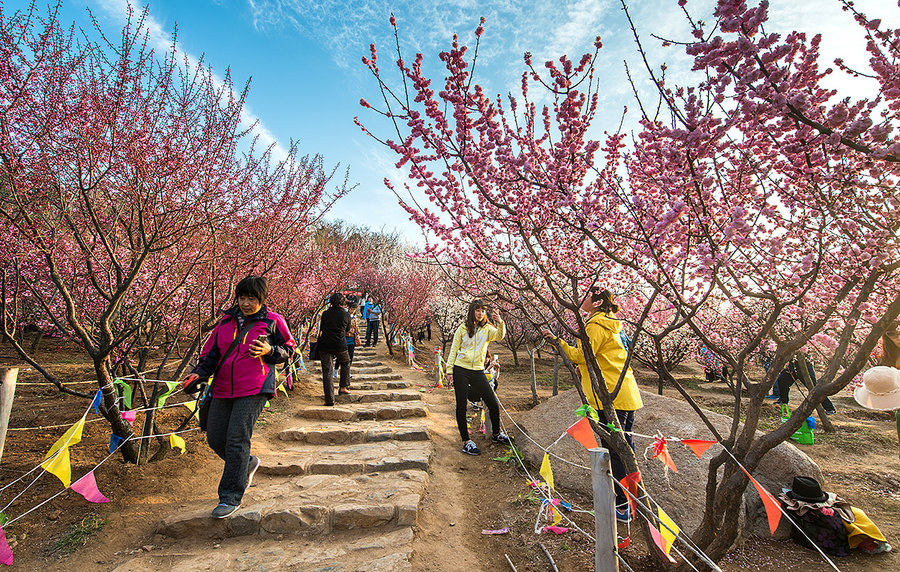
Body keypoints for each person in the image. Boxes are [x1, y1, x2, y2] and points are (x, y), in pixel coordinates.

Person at [181, 276, 295, 519]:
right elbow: (210, 356)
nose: (245, 303)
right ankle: (247, 462)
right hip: (222, 386)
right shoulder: (225, 322)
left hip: (254, 386)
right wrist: (197, 375)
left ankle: (230, 496)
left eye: (251, 298)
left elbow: (289, 349)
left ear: (261, 298)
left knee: (236, 439)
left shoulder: (272, 322)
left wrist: (270, 351)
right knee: (215, 437)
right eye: (242, 297)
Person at [542, 287, 643, 523]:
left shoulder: (596, 325)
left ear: (596, 303)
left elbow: (582, 355)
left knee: (616, 451)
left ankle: (622, 505)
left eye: (587, 296)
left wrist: (556, 342)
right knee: (625, 449)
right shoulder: (613, 322)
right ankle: (631, 499)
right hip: (623, 391)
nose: (582, 300)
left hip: (608, 395)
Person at [446, 299, 511, 455]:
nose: (480, 313)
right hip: (460, 369)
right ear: (472, 312)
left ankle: (496, 434)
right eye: (477, 310)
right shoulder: (462, 329)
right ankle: (466, 441)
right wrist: (449, 371)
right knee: (461, 406)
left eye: (483, 310)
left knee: (492, 403)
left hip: (477, 371)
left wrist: (500, 322)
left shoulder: (487, 329)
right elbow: (454, 349)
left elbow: (500, 336)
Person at [318, 292, 352, 404]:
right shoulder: (346, 314)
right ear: (342, 302)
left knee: (327, 371)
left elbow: (322, 328)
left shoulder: (326, 313)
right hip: (339, 344)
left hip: (325, 344)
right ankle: (343, 387)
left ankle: (329, 399)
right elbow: (347, 329)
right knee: (346, 362)